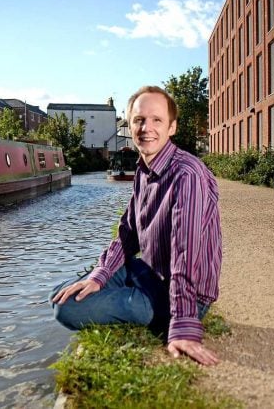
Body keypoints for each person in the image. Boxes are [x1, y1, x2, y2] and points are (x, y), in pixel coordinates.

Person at [49, 86, 222, 366]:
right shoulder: (144, 171)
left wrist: (184, 327)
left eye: (157, 120)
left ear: (172, 127)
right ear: (129, 126)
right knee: (58, 293)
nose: (146, 128)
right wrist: (99, 276)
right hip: (152, 274)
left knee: (65, 310)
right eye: (139, 120)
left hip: (184, 295)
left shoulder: (186, 175)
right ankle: (124, 292)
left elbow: (185, 255)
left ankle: (164, 314)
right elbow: (128, 233)